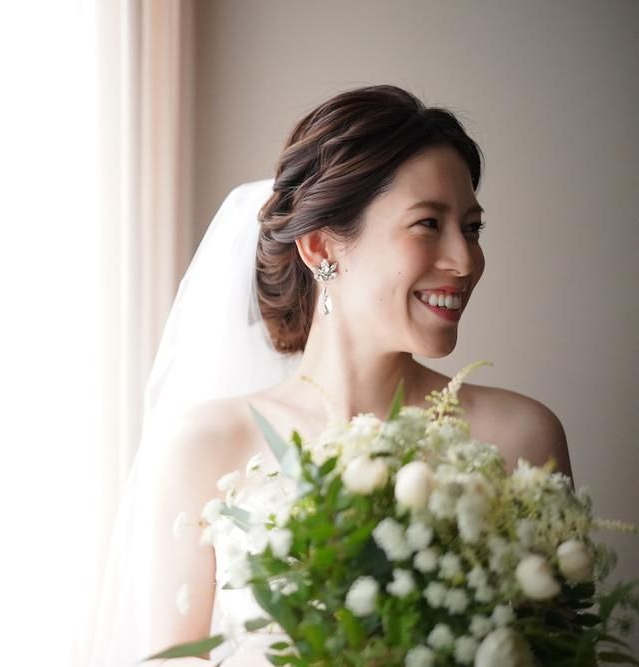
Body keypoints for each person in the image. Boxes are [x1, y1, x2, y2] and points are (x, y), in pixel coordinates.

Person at [87, 84, 573, 666]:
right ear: (320, 247)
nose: (465, 261)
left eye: (472, 228)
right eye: (428, 224)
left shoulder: (521, 438)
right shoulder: (207, 445)